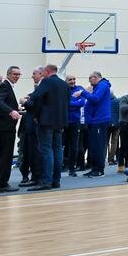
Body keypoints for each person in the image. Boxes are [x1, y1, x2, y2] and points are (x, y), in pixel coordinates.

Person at [24, 63, 70, 191]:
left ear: (47, 71)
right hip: (60, 121)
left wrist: (29, 107)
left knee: (46, 150)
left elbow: (36, 98)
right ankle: (56, 180)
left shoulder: (46, 82)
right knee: (57, 149)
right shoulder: (64, 85)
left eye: (43, 71)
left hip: (46, 121)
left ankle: (46, 181)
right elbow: (67, 103)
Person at [74, 71, 112, 177]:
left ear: (95, 77)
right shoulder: (99, 86)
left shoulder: (103, 85)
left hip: (99, 120)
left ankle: (99, 170)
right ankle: (94, 168)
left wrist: (83, 93)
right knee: (93, 146)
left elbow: (96, 99)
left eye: (89, 79)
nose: (89, 82)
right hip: (95, 120)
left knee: (98, 146)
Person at [0, 69, 21, 193]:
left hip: (1, 125)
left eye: (18, 74)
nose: (17, 76)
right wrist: (11, 111)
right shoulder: (4, 86)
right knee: (5, 155)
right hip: (4, 126)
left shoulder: (6, 86)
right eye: (14, 74)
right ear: (8, 74)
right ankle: (2, 183)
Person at [18, 67, 44, 186]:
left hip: (35, 125)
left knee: (35, 152)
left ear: (41, 74)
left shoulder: (43, 87)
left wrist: (24, 101)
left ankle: (36, 177)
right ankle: (29, 176)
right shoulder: (37, 89)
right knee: (27, 151)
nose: (32, 76)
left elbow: (34, 105)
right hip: (29, 126)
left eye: (34, 74)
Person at [65, 73, 85, 177]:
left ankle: (72, 168)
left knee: (74, 146)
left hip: (75, 122)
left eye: (74, 79)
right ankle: (62, 166)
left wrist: (69, 104)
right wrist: (74, 103)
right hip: (63, 121)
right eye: (70, 80)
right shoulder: (63, 89)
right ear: (66, 81)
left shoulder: (80, 89)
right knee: (61, 145)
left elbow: (82, 102)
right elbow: (62, 103)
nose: (72, 81)